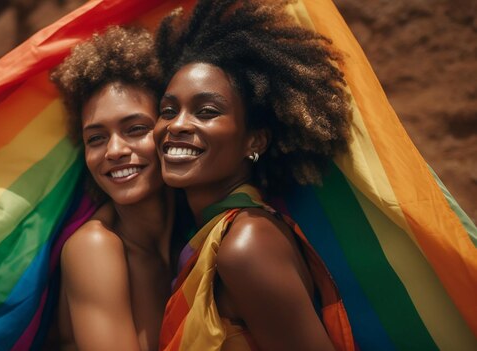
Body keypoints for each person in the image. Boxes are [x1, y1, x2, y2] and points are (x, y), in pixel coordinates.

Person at [154, 0, 354, 350]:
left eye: (206, 111)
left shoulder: (246, 244)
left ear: (254, 140)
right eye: (168, 110)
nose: (177, 124)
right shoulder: (210, 236)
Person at [50, 26, 185, 351]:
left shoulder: (198, 230)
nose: (113, 151)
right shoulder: (94, 248)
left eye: (135, 129)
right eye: (96, 138)